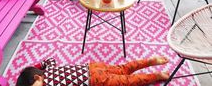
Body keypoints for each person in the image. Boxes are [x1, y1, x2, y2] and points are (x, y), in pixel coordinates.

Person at [16, 56, 169, 86]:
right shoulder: (49, 69)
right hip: (92, 67)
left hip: (95, 80)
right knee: (123, 69)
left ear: (37, 77)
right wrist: (37, 65)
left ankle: (155, 76)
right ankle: (150, 61)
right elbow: (49, 60)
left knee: (127, 81)